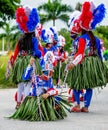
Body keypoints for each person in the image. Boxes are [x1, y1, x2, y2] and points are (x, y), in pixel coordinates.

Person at [66, 1, 107, 112]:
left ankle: (77, 105)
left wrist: (72, 63)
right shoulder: (97, 39)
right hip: (93, 63)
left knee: (76, 83)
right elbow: (99, 54)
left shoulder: (82, 39)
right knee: (89, 85)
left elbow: (80, 54)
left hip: (82, 63)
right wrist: (101, 67)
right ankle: (86, 107)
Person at [9, 51, 71, 121]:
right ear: (42, 71)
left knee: (57, 98)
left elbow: (54, 91)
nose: (48, 75)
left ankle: (52, 110)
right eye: (46, 72)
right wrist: (30, 65)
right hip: (35, 99)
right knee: (31, 103)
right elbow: (25, 77)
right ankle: (32, 112)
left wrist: (48, 94)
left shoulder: (49, 80)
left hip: (45, 98)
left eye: (50, 73)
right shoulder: (36, 78)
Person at [6, 6, 42, 109]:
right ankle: (25, 104)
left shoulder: (20, 40)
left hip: (20, 62)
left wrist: (12, 63)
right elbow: (37, 53)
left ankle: (18, 103)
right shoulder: (34, 40)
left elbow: (15, 53)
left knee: (21, 83)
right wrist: (39, 52)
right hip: (29, 63)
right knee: (28, 83)